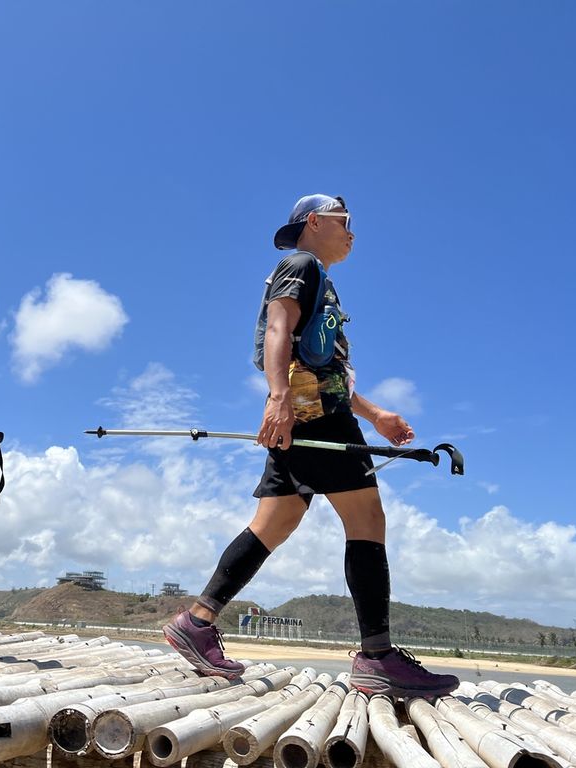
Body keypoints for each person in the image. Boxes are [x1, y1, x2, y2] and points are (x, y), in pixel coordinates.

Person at [162, 194, 459, 698]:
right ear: (315, 222)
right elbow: (279, 326)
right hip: (315, 418)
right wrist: (277, 397)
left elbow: (327, 369)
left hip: (310, 413)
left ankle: (197, 621)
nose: (352, 233)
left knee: (275, 523)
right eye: (346, 223)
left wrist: (377, 415)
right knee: (367, 519)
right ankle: (377, 657)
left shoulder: (320, 278)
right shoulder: (299, 264)